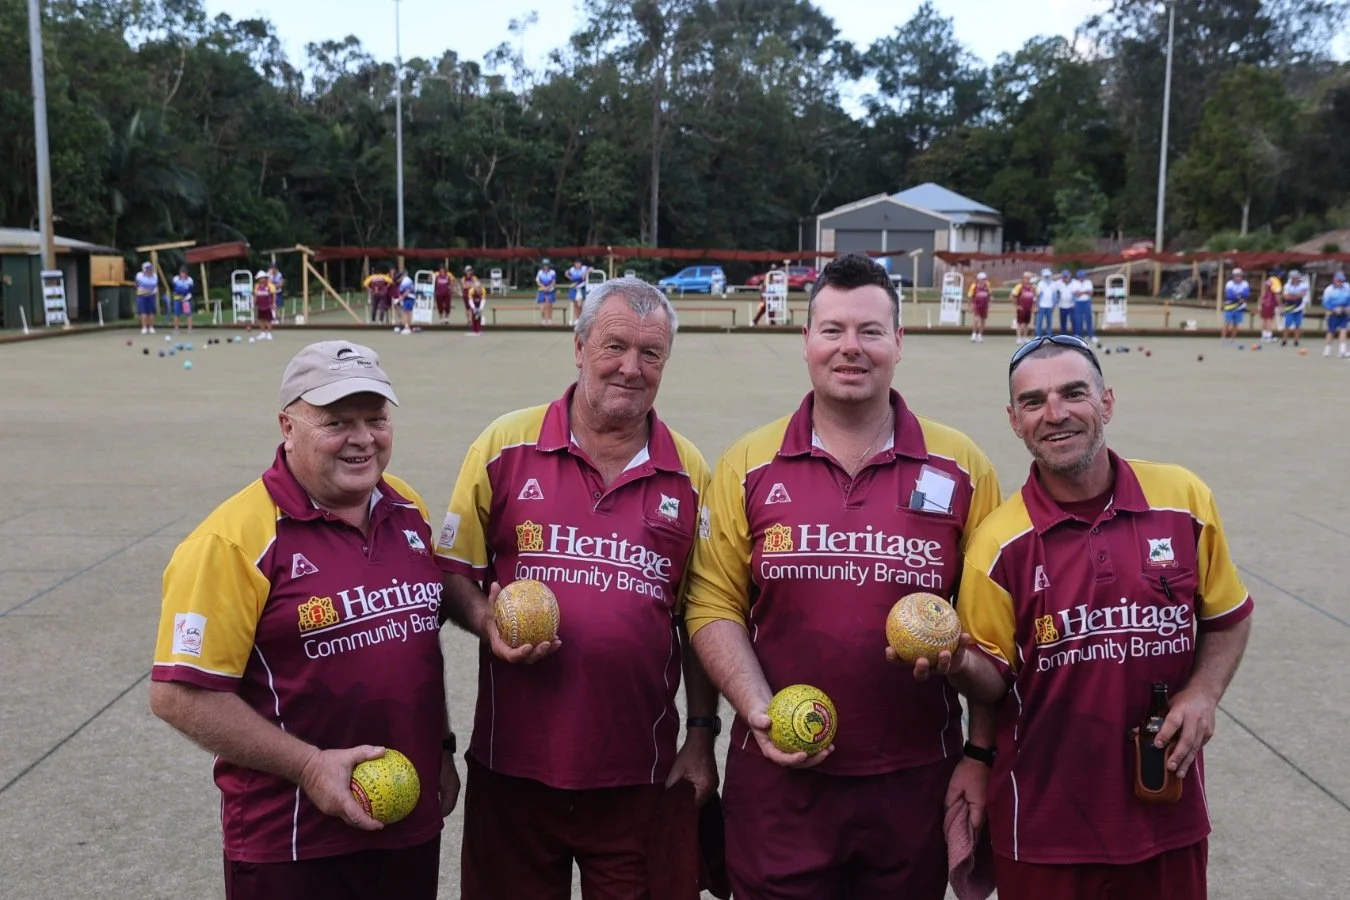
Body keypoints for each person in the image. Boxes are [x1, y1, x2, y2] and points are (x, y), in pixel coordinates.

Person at [683, 253, 1003, 899]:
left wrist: (978, 744)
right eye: (832, 330)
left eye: (869, 331)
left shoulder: (962, 466)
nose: (850, 348)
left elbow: (996, 637)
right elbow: (713, 604)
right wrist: (757, 710)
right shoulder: (748, 462)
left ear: (899, 343)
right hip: (777, 780)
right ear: (806, 342)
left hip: (913, 782)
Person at [937, 333, 1253, 900]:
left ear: (1106, 402)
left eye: (1073, 393)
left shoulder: (1183, 499)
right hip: (1042, 829)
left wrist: (1204, 692)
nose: (1054, 414)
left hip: (1166, 815)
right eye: (1033, 402)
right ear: (1014, 420)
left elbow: (1228, 617)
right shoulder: (996, 544)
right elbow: (991, 682)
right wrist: (957, 660)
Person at [434, 276, 719, 899]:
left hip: (639, 772)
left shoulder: (690, 470)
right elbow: (453, 571)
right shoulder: (504, 445)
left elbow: (701, 616)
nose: (630, 368)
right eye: (614, 345)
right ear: (579, 345)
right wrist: (487, 622)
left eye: (651, 354)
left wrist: (702, 735)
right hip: (512, 768)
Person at [149, 340, 459, 899]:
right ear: (287, 426)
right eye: (336, 421)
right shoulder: (231, 540)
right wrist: (311, 767)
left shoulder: (407, 508)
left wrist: (440, 750)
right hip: (289, 842)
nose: (363, 438)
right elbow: (179, 696)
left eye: (376, 418)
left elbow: (416, 653)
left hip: (405, 823)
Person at [1321, 270, 1350, 358]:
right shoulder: (1329, 290)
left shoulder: (1347, 287)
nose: (1340, 282)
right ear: (1334, 280)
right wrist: (1333, 309)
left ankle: (1342, 351)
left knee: (1343, 329)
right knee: (1331, 331)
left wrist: (1348, 307)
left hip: (1344, 312)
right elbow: (1325, 303)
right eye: (1338, 280)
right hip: (1333, 312)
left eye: (1342, 281)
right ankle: (1327, 350)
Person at [1279, 269, 1310, 347]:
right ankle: (1284, 340)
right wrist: (1295, 295)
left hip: (1299, 308)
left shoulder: (1303, 285)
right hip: (1289, 308)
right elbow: (1286, 296)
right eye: (1294, 278)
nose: (1296, 279)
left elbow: (1302, 294)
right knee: (1287, 325)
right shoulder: (1287, 285)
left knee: (1297, 325)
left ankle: (1296, 341)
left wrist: (1292, 295)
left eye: (1296, 277)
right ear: (1291, 278)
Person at [1221, 267, 1250, 344]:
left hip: (1240, 306)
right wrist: (1240, 296)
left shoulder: (1245, 284)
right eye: (1236, 275)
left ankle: (1232, 339)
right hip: (1229, 306)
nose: (1238, 277)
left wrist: (1237, 295)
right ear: (1233, 276)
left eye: (1239, 275)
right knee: (1227, 322)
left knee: (1236, 323)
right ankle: (1223, 338)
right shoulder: (1229, 284)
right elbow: (1229, 295)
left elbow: (1246, 294)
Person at [1071, 269, 1096, 343]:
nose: (1081, 278)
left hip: (1087, 302)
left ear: (1085, 276)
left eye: (1083, 276)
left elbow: (1091, 293)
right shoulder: (1074, 282)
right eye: (1080, 276)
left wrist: (1081, 292)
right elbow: (1076, 294)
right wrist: (1086, 292)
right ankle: (1079, 335)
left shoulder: (1088, 282)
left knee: (1088, 319)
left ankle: (1091, 335)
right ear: (1078, 277)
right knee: (1079, 320)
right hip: (1078, 303)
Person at [1011, 271, 1035, 345]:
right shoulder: (1019, 286)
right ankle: (1019, 338)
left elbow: (1035, 297)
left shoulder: (1032, 287)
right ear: (1023, 278)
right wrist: (1017, 306)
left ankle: (1025, 337)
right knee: (1019, 324)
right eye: (1026, 278)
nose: (1027, 279)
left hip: (1029, 309)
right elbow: (1012, 296)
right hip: (1021, 309)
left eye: (1029, 278)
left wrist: (1034, 306)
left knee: (1027, 323)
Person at [1259, 267, 1283, 343]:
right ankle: (1269, 336)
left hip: (1264, 303)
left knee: (1265, 319)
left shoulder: (1268, 281)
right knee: (1270, 319)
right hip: (1271, 303)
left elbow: (1263, 293)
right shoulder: (1276, 282)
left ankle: (1263, 335)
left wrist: (1260, 303)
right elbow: (1277, 296)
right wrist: (1280, 304)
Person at [461, 265, 486, 336]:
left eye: (479, 288)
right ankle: (474, 329)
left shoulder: (482, 290)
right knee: (473, 314)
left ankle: (479, 330)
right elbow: (470, 301)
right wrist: (474, 308)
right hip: (470, 299)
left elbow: (483, 300)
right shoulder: (471, 291)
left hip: (479, 301)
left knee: (478, 315)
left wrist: (480, 308)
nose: (478, 289)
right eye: (476, 288)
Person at [967, 271, 992, 342]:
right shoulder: (974, 286)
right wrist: (969, 306)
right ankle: (974, 334)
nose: (984, 280)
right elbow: (970, 296)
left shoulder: (987, 285)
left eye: (985, 279)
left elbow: (989, 295)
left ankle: (980, 335)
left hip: (985, 305)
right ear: (978, 279)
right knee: (976, 319)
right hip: (977, 305)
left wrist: (990, 302)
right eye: (982, 279)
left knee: (983, 320)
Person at [135, 261, 159, 335]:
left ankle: (151, 327)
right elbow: (137, 286)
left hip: (151, 295)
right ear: (144, 269)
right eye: (147, 269)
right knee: (143, 312)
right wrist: (145, 291)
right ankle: (144, 327)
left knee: (151, 312)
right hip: (142, 296)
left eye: (150, 269)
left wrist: (149, 291)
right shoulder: (139, 276)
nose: (149, 270)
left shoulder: (155, 276)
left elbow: (155, 287)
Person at [170, 266, 195, 332]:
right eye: (182, 273)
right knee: (176, 314)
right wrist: (179, 295)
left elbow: (190, 291)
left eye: (185, 273)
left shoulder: (190, 280)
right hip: (177, 299)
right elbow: (175, 289)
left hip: (187, 299)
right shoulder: (175, 279)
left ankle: (190, 329)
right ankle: (176, 328)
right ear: (180, 273)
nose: (183, 274)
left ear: (187, 273)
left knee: (188, 314)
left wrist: (185, 298)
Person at [253, 270, 277, 339]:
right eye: (260, 278)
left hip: (268, 306)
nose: (261, 279)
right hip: (260, 306)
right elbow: (256, 296)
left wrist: (274, 304)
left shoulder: (270, 286)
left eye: (263, 278)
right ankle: (262, 333)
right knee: (261, 320)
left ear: (265, 278)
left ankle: (269, 333)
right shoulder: (257, 286)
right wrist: (254, 304)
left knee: (268, 320)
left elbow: (274, 295)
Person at [1035, 268, 1056, 338]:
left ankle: (1049, 335)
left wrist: (1054, 305)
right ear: (1043, 276)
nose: (1047, 277)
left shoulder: (1053, 284)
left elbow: (1054, 295)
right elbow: (1037, 295)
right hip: (1041, 306)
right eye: (1045, 276)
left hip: (1050, 306)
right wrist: (1037, 305)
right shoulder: (1040, 283)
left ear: (1050, 276)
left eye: (1048, 276)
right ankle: (1038, 335)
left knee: (1049, 322)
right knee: (1039, 321)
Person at [536, 258, 558, 325]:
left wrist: (548, 287)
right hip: (542, 290)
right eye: (544, 265)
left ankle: (549, 320)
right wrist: (543, 287)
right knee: (542, 306)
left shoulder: (552, 272)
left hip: (550, 290)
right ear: (542, 265)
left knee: (549, 305)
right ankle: (543, 319)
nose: (545, 266)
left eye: (547, 265)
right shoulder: (539, 272)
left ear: (549, 265)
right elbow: (538, 281)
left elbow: (553, 282)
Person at [566, 258, 589, 322]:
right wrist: (571, 278)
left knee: (580, 304)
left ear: (581, 263)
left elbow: (591, 269)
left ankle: (581, 318)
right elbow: (566, 273)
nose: (578, 264)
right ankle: (577, 319)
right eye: (576, 263)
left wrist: (585, 274)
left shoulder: (584, 268)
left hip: (581, 287)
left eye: (579, 263)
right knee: (575, 304)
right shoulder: (572, 269)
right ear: (574, 264)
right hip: (574, 287)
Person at [394, 268, 416, 335]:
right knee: (406, 312)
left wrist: (400, 299)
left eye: (398, 279)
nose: (397, 280)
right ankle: (407, 327)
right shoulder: (403, 282)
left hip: (409, 298)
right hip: (407, 298)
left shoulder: (406, 281)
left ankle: (407, 328)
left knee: (406, 312)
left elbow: (407, 291)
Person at [1055, 269, 1075, 335]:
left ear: (1069, 276)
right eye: (1064, 276)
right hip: (1062, 306)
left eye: (1066, 276)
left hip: (1071, 305)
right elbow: (1055, 293)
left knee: (1073, 320)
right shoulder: (1058, 283)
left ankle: (1073, 335)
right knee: (1063, 322)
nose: (1065, 278)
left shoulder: (1074, 283)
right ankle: (1063, 335)